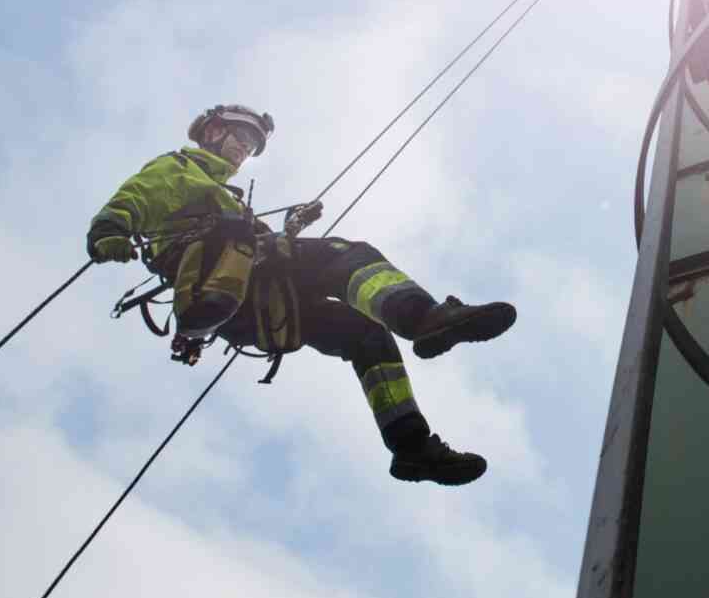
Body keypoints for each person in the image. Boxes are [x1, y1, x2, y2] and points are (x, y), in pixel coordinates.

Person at [85, 104, 515, 486]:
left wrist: (289, 229)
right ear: (214, 132)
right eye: (241, 138)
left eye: (252, 147)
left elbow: (254, 250)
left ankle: (411, 447)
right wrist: (111, 228)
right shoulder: (182, 169)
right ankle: (424, 318)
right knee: (348, 256)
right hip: (227, 284)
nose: (243, 151)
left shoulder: (227, 199)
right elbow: (139, 195)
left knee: (365, 335)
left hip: (248, 302)